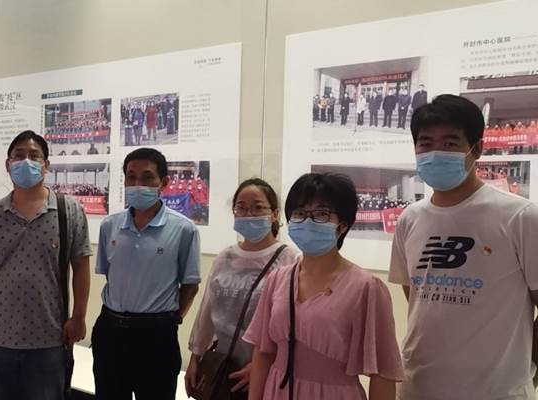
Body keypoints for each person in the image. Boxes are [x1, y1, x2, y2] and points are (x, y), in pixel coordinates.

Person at [389, 94, 538, 400]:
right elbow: (418, 300)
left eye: (450, 143)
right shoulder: (409, 219)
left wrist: (526, 373)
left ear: (477, 149)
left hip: (496, 393)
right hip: (418, 388)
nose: (435, 152)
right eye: (426, 143)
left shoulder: (520, 216)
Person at [244, 172, 403, 400]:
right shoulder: (277, 280)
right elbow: (263, 353)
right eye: (300, 213)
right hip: (277, 391)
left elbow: (383, 373)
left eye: (321, 214)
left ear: (342, 225)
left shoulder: (366, 288)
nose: (307, 221)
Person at [0, 130, 92, 400]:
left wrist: (79, 316)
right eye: (19, 155)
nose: (26, 161)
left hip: (49, 340)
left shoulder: (69, 211)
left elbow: (81, 266)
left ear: (46, 165)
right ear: (7, 164)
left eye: (34, 156)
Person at [92, 147, 201, 399]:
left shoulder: (184, 229)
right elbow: (111, 277)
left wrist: (169, 320)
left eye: (147, 177)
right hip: (110, 331)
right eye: (131, 176)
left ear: (164, 182)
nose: (137, 184)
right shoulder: (110, 225)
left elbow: (190, 286)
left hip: (156, 337)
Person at [185, 179, 301, 399]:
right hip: (223, 367)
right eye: (241, 207)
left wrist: (263, 365)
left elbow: (294, 326)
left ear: (275, 214)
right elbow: (206, 315)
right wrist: (195, 359)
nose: (249, 214)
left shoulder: (291, 259)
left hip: (266, 370)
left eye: (258, 207)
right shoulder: (224, 258)